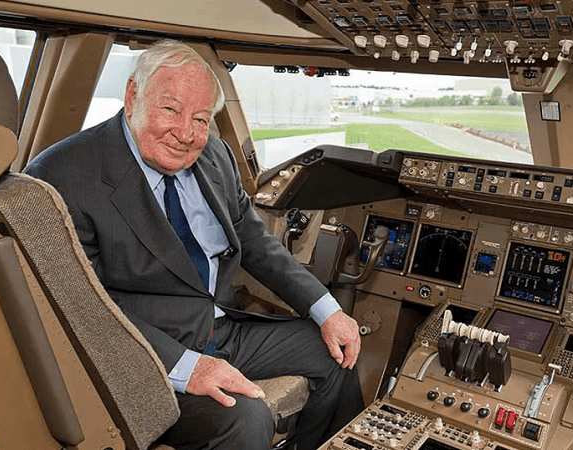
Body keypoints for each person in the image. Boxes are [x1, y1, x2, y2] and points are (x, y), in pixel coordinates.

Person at [24, 40, 364, 450]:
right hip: (143, 352)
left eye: (201, 119)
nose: (186, 134)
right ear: (133, 95)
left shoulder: (215, 155)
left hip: (222, 327)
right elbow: (83, 307)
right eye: (170, 109)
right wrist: (190, 367)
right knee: (246, 417)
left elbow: (253, 240)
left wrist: (326, 309)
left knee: (339, 352)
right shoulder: (63, 175)